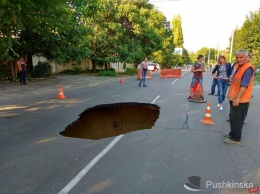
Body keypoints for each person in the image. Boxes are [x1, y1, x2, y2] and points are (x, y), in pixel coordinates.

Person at [224, 50, 254, 144]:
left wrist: (237, 98)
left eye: (241, 57)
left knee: (237, 119)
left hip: (240, 99)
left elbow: (244, 85)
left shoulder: (248, 68)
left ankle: (236, 139)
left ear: (246, 57)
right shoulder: (239, 66)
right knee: (233, 118)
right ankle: (232, 133)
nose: (239, 59)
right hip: (235, 97)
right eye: (237, 57)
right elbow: (237, 79)